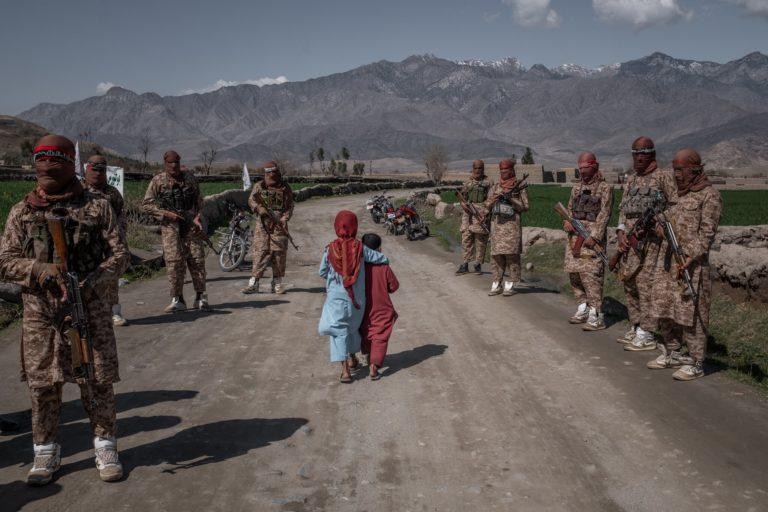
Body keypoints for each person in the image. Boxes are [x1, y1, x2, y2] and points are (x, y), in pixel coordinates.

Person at [0, 134, 129, 485]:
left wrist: (92, 283)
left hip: (89, 307)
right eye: (41, 165)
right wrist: (37, 270)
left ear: (70, 165)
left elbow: (120, 255)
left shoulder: (98, 206)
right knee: (43, 384)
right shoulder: (22, 211)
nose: (47, 172)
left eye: (54, 164)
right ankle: (46, 450)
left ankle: (105, 445)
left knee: (97, 380)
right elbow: (5, 262)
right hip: (40, 313)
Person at [646, 149, 722, 380]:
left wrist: (691, 255)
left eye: (680, 170)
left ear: (695, 169)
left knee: (693, 314)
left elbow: (707, 235)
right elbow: (666, 219)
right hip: (668, 262)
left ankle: (697, 362)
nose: (676, 175)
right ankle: (673, 352)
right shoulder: (679, 194)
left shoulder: (710, 196)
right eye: (674, 169)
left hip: (692, 266)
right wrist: (659, 227)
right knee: (665, 307)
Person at [615, 137, 677, 351]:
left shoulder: (663, 177)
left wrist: (660, 222)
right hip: (631, 244)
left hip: (652, 244)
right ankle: (637, 325)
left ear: (652, 154)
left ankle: (648, 333)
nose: (638, 157)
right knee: (630, 284)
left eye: (643, 153)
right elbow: (623, 209)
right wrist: (621, 232)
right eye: (635, 153)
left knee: (646, 286)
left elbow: (675, 206)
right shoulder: (631, 180)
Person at [318, 211, 388, 383]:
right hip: (357, 300)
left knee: (338, 332)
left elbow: (322, 272)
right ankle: (352, 357)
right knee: (352, 329)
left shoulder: (330, 249)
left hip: (336, 299)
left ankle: (345, 370)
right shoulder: (361, 248)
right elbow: (382, 258)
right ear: (355, 227)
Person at [141, 150, 210, 312]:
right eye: (170, 163)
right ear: (165, 164)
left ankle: (200, 297)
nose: (173, 166)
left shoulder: (190, 178)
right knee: (174, 263)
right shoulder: (158, 181)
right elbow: (146, 204)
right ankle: (177, 299)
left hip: (191, 226)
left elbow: (199, 201)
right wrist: (165, 213)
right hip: (171, 228)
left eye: (176, 162)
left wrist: (197, 217)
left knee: (197, 260)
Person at [563, 152, 614, 330]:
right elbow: (569, 210)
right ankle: (582, 307)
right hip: (573, 240)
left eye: (586, 168)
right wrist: (567, 223)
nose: (583, 172)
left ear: (595, 167)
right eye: (581, 168)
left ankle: (596, 314)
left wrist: (595, 235)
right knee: (574, 274)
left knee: (591, 276)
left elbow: (605, 213)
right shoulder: (576, 189)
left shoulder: (604, 188)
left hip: (591, 240)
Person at [83, 155, 129, 326]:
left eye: (101, 170)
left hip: (109, 242)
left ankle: (114, 312)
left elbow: (121, 216)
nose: (97, 174)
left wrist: (120, 236)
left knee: (111, 278)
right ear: (87, 170)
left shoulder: (112, 193)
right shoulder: (78, 190)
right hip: (86, 244)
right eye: (93, 170)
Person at [241, 161, 295, 295]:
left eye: (274, 175)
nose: (271, 178)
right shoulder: (259, 186)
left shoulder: (285, 187)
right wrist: (259, 208)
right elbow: (251, 200)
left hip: (279, 226)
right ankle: (254, 283)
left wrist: (284, 218)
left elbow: (290, 205)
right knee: (260, 253)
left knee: (279, 254)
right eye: (269, 175)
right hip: (263, 225)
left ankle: (276, 284)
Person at [485, 159, 529, 296]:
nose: (503, 174)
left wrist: (510, 199)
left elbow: (525, 206)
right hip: (498, 227)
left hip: (512, 227)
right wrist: (492, 201)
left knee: (512, 256)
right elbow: (487, 205)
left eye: (506, 171)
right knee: (496, 256)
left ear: (511, 171)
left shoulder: (519, 186)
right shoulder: (495, 186)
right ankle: (496, 283)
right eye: (501, 171)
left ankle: (510, 284)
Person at [360, 233, 399, 381]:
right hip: (382, 306)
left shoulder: (359, 266)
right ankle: (374, 366)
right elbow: (394, 287)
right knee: (380, 334)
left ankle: (367, 355)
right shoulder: (383, 266)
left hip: (363, 307)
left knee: (366, 331)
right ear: (379, 248)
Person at [456, 160, 491, 275]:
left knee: (480, 239)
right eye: (475, 168)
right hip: (468, 213)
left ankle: (478, 263)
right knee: (466, 236)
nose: (477, 171)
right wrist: (463, 205)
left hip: (481, 212)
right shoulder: (467, 183)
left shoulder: (488, 183)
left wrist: (485, 212)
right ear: (472, 169)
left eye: (480, 168)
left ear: (483, 169)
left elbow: (491, 199)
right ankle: (465, 263)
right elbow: (462, 197)